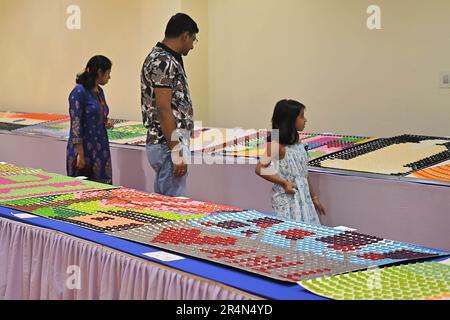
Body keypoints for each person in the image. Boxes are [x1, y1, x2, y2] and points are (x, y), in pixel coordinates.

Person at [141, 13, 199, 197]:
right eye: (193, 40)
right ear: (185, 36)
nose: (192, 45)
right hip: (167, 142)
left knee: (164, 199)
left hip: (166, 141)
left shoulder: (165, 58)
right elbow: (163, 108)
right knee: (172, 204)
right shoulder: (163, 61)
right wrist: (176, 150)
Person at [255, 99, 326, 224]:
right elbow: (259, 168)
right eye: (301, 116)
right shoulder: (277, 145)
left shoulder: (298, 143)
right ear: (290, 120)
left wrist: (314, 197)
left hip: (304, 199)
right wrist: (283, 182)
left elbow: (303, 174)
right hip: (288, 201)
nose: (305, 120)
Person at [67, 55, 114, 184]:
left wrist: (106, 121)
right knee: (82, 188)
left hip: (100, 147)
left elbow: (99, 114)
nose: (109, 77)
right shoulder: (79, 92)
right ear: (99, 72)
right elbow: (76, 124)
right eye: (108, 73)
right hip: (83, 148)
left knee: (103, 188)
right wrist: (80, 154)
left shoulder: (99, 91)